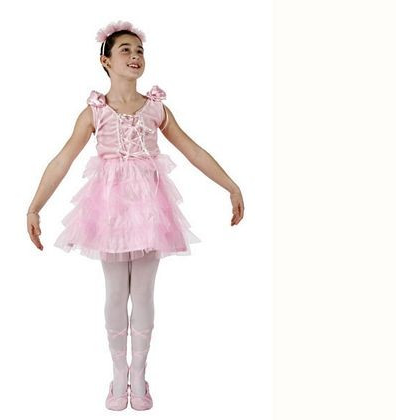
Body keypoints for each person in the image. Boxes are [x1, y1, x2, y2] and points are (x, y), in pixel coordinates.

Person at [26, 20, 245, 411]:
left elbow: (193, 150)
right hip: (109, 210)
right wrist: (35, 205)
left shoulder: (156, 108)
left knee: (143, 291)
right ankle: (118, 375)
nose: (135, 56)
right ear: (105, 61)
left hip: (150, 209)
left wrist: (230, 185)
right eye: (125, 50)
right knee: (115, 291)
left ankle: (139, 376)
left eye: (140, 51)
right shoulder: (94, 112)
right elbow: (62, 159)